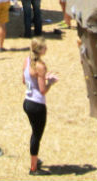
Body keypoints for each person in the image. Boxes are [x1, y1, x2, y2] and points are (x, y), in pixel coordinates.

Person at [23, 38, 58, 175]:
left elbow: (24, 80)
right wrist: (51, 82)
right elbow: (43, 90)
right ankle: (33, 168)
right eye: (45, 47)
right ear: (40, 50)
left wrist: (43, 78)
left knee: (34, 133)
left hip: (27, 101)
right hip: (37, 104)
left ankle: (34, 159)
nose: (47, 49)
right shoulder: (40, 66)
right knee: (37, 135)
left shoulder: (27, 61)